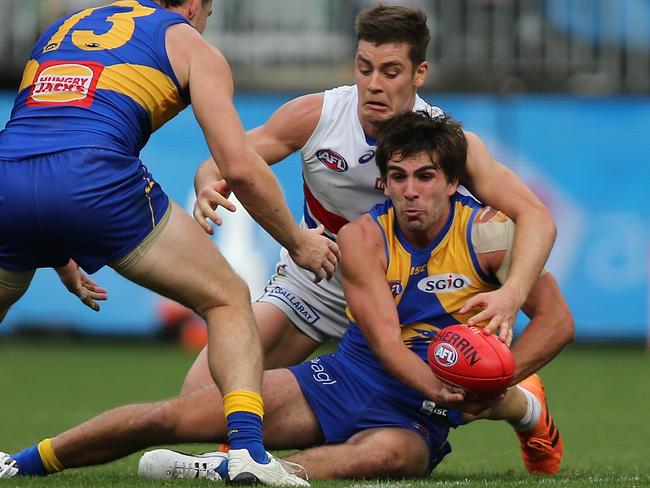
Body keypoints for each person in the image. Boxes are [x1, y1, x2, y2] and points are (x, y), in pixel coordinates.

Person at [0, 111, 574, 482]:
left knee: (390, 459)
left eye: (425, 178)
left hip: (414, 420)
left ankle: (231, 470)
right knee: (175, 413)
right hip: (348, 382)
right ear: (385, 182)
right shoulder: (362, 237)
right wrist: (442, 391)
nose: (410, 191)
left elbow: (556, 323)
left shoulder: (490, 235)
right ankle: (24, 462)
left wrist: (499, 376)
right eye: (398, 177)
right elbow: (381, 339)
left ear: (454, 182)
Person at [0, 0, 339, 485]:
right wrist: (298, 241)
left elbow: (43, 139)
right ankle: (246, 452)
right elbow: (239, 165)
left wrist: (55, 249)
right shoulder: (191, 44)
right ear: (198, 6)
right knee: (226, 299)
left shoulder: (65, 26)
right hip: (95, 177)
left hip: (7, 178)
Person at [182, 4, 557, 395]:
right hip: (324, 279)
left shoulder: (447, 144)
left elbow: (536, 216)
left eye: (391, 72)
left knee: (444, 400)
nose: (374, 84)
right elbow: (223, 161)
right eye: (365, 68)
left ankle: (524, 402)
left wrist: (512, 293)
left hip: (417, 292)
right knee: (201, 391)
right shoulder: (316, 116)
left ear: (419, 74)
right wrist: (209, 182)